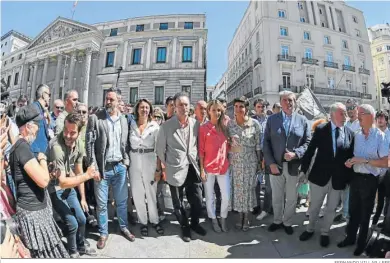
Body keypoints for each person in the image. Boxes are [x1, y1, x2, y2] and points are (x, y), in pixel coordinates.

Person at [10, 104, 69, 258]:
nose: (38, 131)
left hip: (34, 209)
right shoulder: (22, 147)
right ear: (28, 126)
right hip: (33, 213)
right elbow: (43, 181)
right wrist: (42, 159)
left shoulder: (20, 146)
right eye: (37, 126)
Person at [299, 103, 354, 247]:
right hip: (319, 177)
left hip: (338, 179)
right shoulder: (321, 129)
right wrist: (303, 170)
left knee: (331, 208)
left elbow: (349, 157)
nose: (345, 116)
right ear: (333, 114)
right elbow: (310, 150)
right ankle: (310, 229)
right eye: (342, 113)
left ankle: (325, 232)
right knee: (315, 206)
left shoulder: (349, 133)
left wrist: (348, 178)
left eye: (346, 114)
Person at [86, 88, 134, 249]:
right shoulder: (95, 118)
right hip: (102, 169)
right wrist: (93, 166)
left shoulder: (124, 120)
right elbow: (89, 144)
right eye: (107, 99)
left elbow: (125, 143)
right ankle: (103, 233)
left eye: (111, 99)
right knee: (101, 204)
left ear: (119, 101)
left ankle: (123, 227)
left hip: (119, 167)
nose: (107, 102)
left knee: (121, 201)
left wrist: (125, 162)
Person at [339, 104, 389, 256]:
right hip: (356, 178)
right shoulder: (357, 135)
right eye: (358, 113)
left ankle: (361, 244)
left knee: (365, 214)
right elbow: (354, 157)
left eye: (361, 113)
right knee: (353, 212)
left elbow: (386, 162)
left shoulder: (380, 136)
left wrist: (365, 161)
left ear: (371, 116)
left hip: (370, 180)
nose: (357, 115)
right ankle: (350, 238)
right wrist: (350, 161)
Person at [156, 92, 206, 242]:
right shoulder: (166, 126)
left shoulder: (196, 124)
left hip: (192, 167)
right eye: (180, 105)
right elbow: (160, 149)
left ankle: (195, 223)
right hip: (175, 169)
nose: (183, 107)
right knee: (178, 203)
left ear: (189, 106)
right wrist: (166, 166)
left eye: (186, 104)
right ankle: (185, 226)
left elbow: (199, 145)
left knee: (197, 200)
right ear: (175, 107)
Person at [48, 113, 99, 258]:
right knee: (72, 223)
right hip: (54, 188)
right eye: (66, 131)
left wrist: (83, 198)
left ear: (79, 132)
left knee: (82, 219)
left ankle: (81, 246)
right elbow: (63, 182)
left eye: (72, 132)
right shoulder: (57, 147)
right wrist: (87, 176)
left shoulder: (79, 145)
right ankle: (72, 252)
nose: (68, 136)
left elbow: (78, 170)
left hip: (69, 186)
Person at [263, 91, 311, 235]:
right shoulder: (272, 119)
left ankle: (287, 222)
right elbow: (266, 142)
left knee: (291, 198)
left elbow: (307, 142)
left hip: (293, 166)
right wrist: (270, 162)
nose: (288, 103)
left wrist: (296, 154)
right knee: (277, 197)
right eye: (285, 100)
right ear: (280, 102)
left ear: (295, 102)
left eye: (291, 100)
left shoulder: (302, 120)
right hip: (275, 166)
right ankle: (277, 220)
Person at [128, 99, 164, 236]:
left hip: (150, 159)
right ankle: (143, 221)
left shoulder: (155, 126)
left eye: (147, 108)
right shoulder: (131, 124)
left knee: (151, 192)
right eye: (142, 107)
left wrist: (158, 169)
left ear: (150, 110)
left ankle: (154, 220)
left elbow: (159, 149)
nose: (144, 110)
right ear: (137, 109)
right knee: (137, 193)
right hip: (134, 159)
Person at [228, 96, 261, 231]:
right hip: (235, 163)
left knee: (248, 189)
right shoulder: (230, 124)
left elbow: (258, 145)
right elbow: (227, 143)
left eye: (241, 106)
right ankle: (239, 216)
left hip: (250, 162)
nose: (238, 109)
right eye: (236, 106)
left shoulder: (255, 124)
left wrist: (259, 163)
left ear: (246, 108)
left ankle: (246, 217)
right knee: (238, 190)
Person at [199, 100, 230, 233]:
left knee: (226, 196)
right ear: (209, 111)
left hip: (223, 167)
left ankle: (223, 218)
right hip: (208, 167)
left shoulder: (225, 127)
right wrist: (201, 170)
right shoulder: (203, 128)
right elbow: (201, 151)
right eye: (214, 110)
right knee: (210, 196)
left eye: (219, 110)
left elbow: (228, 147)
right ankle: (213, 218)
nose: (216, 112)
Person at [334, 99, 361, 223]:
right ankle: (345, 212)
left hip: (357, 162)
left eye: (352, 108)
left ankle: (349, 215)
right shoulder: (345, 124)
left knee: (352, 190)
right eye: (348, 108)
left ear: (357, 108)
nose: (350, 111)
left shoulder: (360, 123)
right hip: (344, 162)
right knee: (344, 189)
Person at [252, 98, 272, 221]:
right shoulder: (251, 121)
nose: (261, 109)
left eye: (263, 106)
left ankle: (267, 208)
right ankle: (256, 206)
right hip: (254, 156)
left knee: (269, 185)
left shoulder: (271, 121)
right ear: (255, 108)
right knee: (256, 183)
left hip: (269, 156)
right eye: (259, 106)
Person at [372, 110, 390, 226]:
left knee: (387, 199)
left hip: (387, 173)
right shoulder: (373, 134)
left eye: (382, 117)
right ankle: (375, 219)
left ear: (387, 120)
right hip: (374, 171)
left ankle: (385, 221)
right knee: (377, 199)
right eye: (378, 117)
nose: (380, 119)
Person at [30, 84, 51, 155]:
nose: (49, 98)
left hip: (42, 155)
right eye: (49, 95)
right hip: (35, 156)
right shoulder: (34, 109)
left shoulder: (40, 110)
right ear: (44, 95)